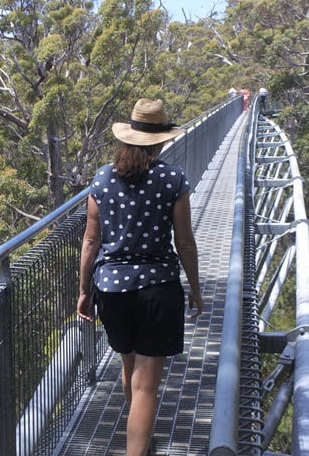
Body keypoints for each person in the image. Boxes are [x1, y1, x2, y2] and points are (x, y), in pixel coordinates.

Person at [77, 97, 204, 456]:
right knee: (147, 387)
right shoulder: (173, 180)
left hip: (112, 289)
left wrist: (84, 290)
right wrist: (195, 288)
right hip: (158, 288)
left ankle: (139, 440)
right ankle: (138, 449)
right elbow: (184, 240)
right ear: (160, 139)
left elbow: (91, 239)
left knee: (128, 363)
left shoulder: (101, 178)